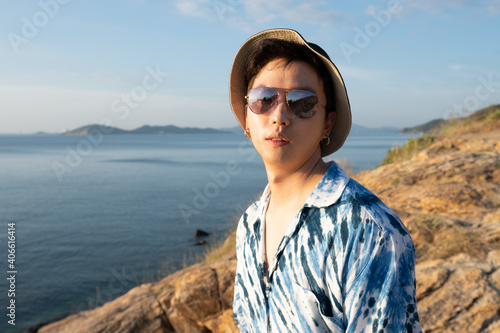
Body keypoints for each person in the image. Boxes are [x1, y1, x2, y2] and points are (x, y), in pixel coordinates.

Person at [229, 28, 421, 333]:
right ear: (246, 117)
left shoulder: (367, 230)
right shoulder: (249, 225)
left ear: (326, 123)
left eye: (302, 102)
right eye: (263, 99)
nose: (279, 115)